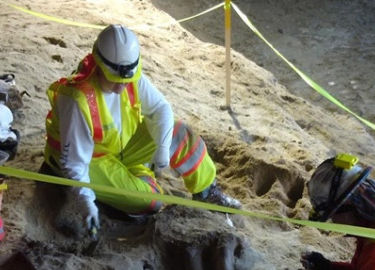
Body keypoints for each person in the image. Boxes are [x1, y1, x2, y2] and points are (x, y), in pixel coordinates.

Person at [42, 24, 241, 236]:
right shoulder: (78, 100)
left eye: (126, 80)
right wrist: (85, 201)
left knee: (179, 132)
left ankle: (207, 193)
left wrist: (162, 148)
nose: (122, 86)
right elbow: (74, 164)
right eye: (115, 80)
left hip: (119, 148)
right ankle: (134, 177)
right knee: (151, 202)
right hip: (89, 160)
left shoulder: (129, 75)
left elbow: (161, 108)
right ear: (99, 66)